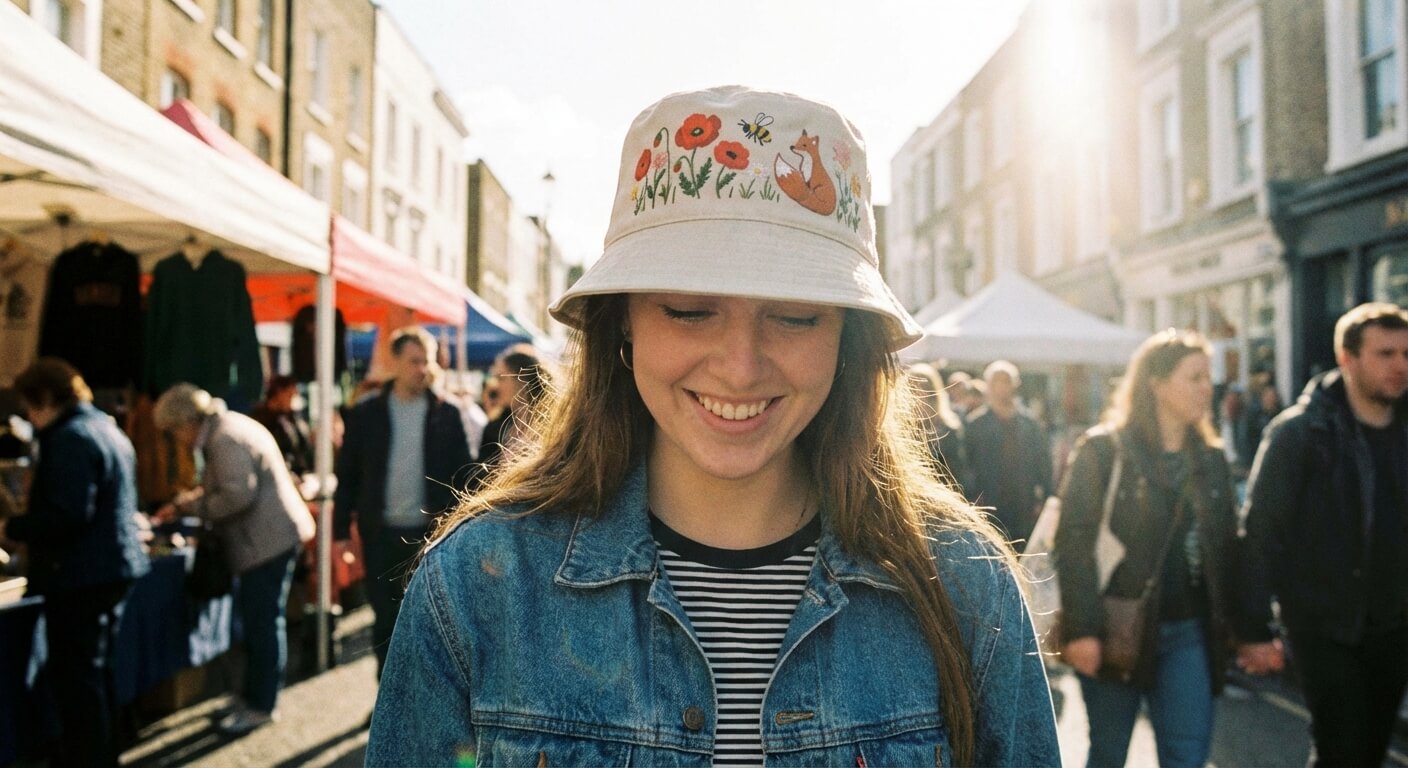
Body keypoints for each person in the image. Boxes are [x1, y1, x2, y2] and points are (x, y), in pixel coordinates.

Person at [366, 85, 1058, 767]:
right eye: (690, 310)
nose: (740, 365)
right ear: (624, 327)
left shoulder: (965, 585)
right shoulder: (480, 586)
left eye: (794, 316)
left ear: (848, 341)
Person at [1053, 329, 1246, 768]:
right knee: (1108, 754)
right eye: (1194, 377)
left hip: (1189, 633)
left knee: (1186, 756)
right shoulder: (1103, 450)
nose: (1207, 388)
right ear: (1155, 383)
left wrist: (1245, 626)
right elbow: (1074, 542)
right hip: (1114, 628)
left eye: (1208, 377)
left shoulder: (1210, 460)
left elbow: (1227, 549)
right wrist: (1082, 630)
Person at [1237, 302, 1408, 768]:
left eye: (1406, 354)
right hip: (1324, 624)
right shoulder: (1299, 434)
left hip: (1394, 625)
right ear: (1347, 359)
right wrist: (1253, 630)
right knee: (1342, 749)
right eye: (1386, 353)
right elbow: (1261, 532)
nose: (1400, 366)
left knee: (1369, 750)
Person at [1, 359, 150, 767]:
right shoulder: (104, 427)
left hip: (83, 574)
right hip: (110, 567)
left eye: (28, 408)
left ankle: (90, 757)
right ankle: (102, 752)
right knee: (95, 672)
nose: (28, 418)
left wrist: (16, 526)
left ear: (45, 399)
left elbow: (68, 514)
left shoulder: (70, 437)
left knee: (80, 678)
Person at [149, 383, 313, 734]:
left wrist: (195, 507)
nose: (177, 440)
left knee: (263, 624)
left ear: (185, 422)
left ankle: (261, 704)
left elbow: (237, 495)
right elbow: (231, 486)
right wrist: (192, 502)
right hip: (270, 537)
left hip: (265, 541)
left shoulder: (224, 437)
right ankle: (256, 696)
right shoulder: (229, 427)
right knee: (263, 622)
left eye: (174, 431)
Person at [332, 326, 471, 679]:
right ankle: (387, 704)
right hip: (380, 532)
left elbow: (464, 476)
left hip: (429, 533)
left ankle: (423, 706)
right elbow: (347, 475)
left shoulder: (446, 413)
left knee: (429, 621)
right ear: (393, 362)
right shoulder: (366, 414)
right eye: (414, 361)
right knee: (385, 621)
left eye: (426, 361)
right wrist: (340, 534)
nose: (422, 369)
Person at [964, 360, 1053, 542]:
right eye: (996, 381)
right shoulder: (976, 424)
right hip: (988, 505)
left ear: (1014, 385)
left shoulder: (1030, 424)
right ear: (988, 386)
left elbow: (1043, 463)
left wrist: (1045, 498)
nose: (1001, 386)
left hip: (1023, 504)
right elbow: (966, 465)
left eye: (1006, 381)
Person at [469, 343, 553, 489]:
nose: (495, 386)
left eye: (501, 378)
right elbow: (479, 480)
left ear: (521, 380)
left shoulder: (554, 427)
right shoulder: (495, 428)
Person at [905, 362, 971, 493]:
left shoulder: (948, 428)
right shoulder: (901, 431)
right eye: (912, 387)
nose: (917, 393)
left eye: (922, 387)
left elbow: (957, 474)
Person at [251, 375, 314, 478]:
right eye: (289, 395)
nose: (291, 401)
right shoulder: (260, 418)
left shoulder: (290, 418)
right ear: (279, 392)